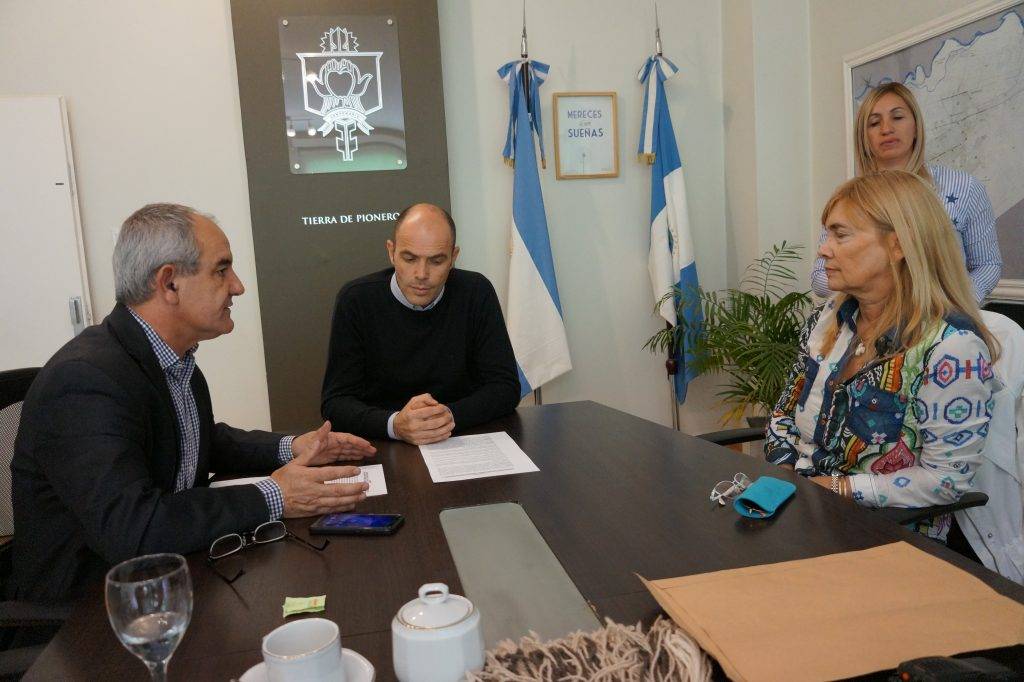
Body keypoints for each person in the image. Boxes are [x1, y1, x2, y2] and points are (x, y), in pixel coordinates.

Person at [10, 204, 376, 602]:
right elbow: (134, 528)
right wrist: (274, 495)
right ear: (169, 283)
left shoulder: (173, 360)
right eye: (221, 270)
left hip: (172, 576)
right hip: (90, 611)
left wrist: (293, 446)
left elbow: (196, 442)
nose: (237, 286)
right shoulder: (85, 380)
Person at [767, 171, 1000, 542]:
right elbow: (783, 415)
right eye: (827, 235)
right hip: (804, 511)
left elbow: (945, 481)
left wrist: (839, 489)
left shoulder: (952, 351)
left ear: (898, 245)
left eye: (840, 235)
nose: (824, 250)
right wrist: (783, 484)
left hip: (886, 538)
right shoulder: (828, 321)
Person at [321, 203, 519, 445]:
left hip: (459, 439)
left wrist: (447, 417)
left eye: (436, 261)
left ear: (453, 257)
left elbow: (505, 387)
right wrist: (395, 424)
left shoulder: (476, 292)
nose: (422, 274)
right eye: (410, 258)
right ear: (391, 252)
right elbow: (335, 403)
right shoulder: (356, 300)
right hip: (383, 443)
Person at [810, 82, 1001, 302]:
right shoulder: (848, 200)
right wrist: (872, 289)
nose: (886, 129)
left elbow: (988, 265)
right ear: (864, 137)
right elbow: (820, 278)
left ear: (916, 126)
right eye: (874, 123)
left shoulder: (964, 187)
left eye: (898, 117)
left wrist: (954, 304)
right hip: (871, 319)